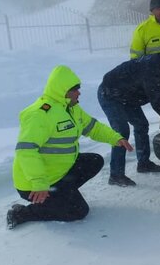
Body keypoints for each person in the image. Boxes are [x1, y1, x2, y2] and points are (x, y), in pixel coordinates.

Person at [8, 65, 132, 230]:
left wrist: (116, 138)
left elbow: (93, 127)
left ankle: (61, 194)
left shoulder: (72, 109)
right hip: (34, 184)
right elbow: (26, 151)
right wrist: (39, 183)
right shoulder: (40, 114)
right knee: (78, 211)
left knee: (95, 160)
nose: (78, 93)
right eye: (74, 89)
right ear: (62, 91)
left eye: (78, 88)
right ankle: (21, 213)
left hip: (57, 174)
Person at [97, 48, 160, 186]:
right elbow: (158, 102)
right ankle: (116, 175)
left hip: (127, 97)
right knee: (121, 132)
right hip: (110, 94)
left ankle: (144, 163)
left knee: (141, 125)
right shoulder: (152, 72)